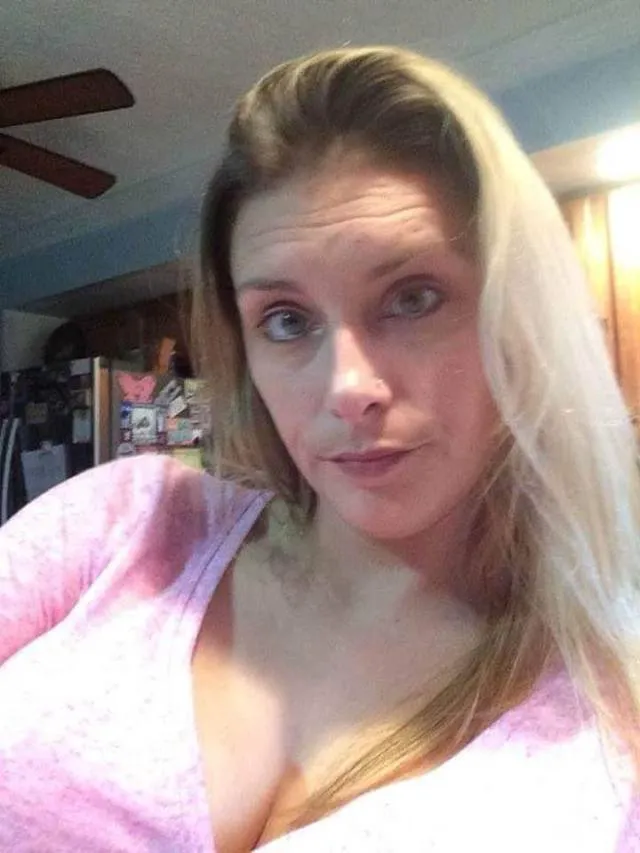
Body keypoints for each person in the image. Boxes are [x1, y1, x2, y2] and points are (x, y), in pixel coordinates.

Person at [1, 46, 639, 853]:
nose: (348, 387)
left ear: (517, 317)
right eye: (287, 319)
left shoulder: (611, 725)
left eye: (413, 298)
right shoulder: (128, 523)